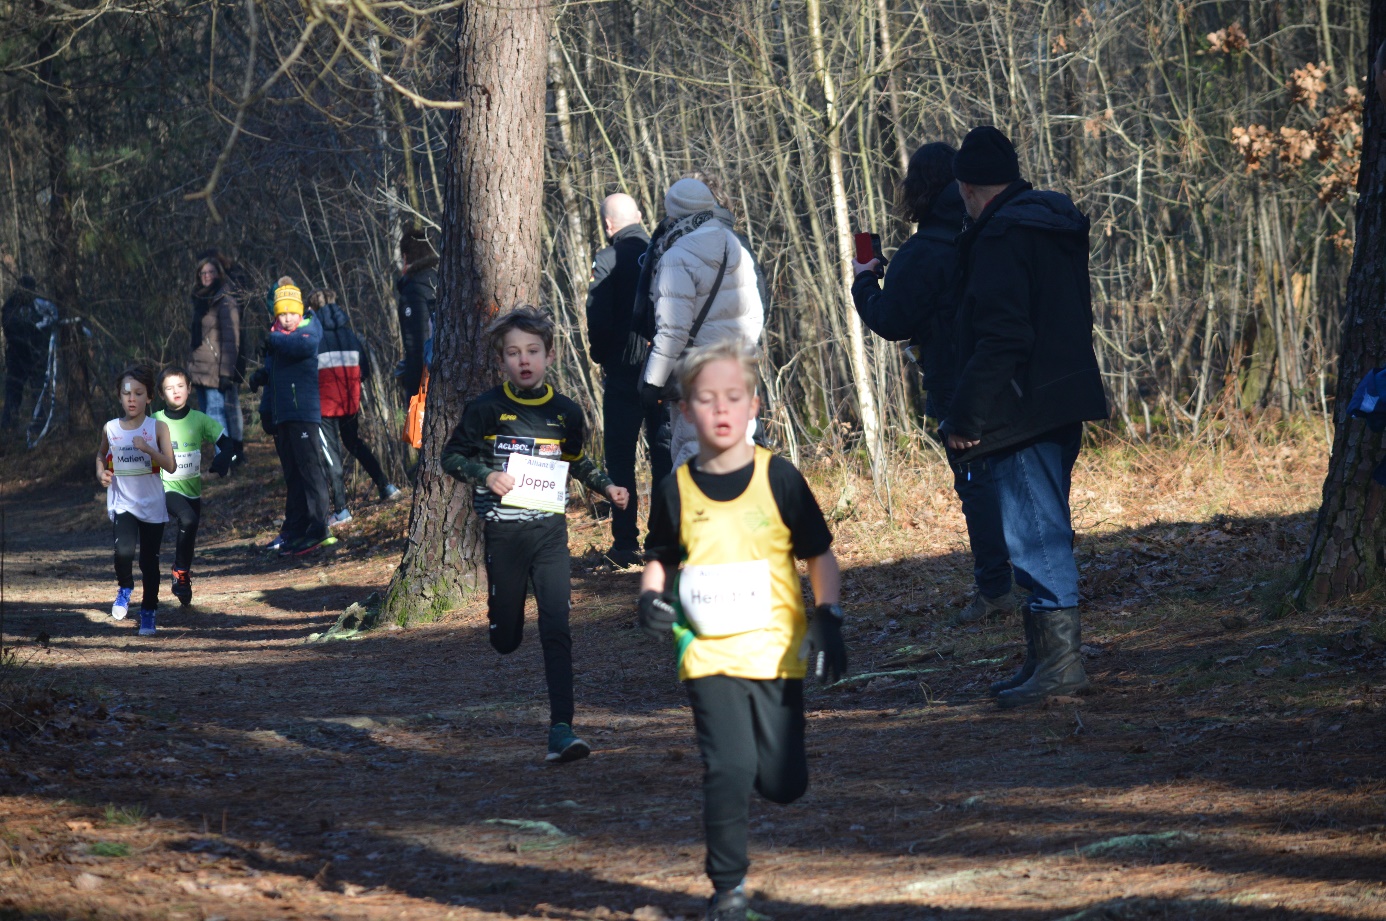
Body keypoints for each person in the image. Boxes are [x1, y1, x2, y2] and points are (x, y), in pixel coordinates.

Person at [637, 338, 846, 921]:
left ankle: (767, 776)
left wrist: (829, 617)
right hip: (707, 655)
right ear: (685, 410)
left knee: (782, 784)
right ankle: (726, 889)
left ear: (754, 404)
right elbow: (661, 558)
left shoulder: (779, 478)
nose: (721, 410)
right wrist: (651, 598)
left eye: (734, 397)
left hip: (778, 653)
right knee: (728, 767)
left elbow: (820, 556)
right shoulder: (674, 490)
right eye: (706, 399)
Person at [941, 126, 1108, 707]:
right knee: (1040, 530)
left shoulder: (1002, 236)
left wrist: (965, 414)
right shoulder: (1048, 224)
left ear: (966, 188)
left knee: (1036, 536)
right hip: (1062, 398)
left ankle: (1061, 666)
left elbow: (1002, 336)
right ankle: (1044, 659)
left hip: (1022, 409)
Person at [440, 306, 629, 763]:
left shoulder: (565, 413)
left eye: (532, 352)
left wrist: (606, 485)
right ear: (501, 360)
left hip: (549, 534)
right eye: (513, 353)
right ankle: (501, 618)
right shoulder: (485, 410)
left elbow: (576, 461)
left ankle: (562, 729)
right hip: (504, 534)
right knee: (507, 638)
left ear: (548, 355)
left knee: (556, 626)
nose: (523, 361)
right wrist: (486, 475)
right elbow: (450, 457)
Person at [850, 142, 1016, 625]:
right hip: (1006, 376)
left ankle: (994, 593)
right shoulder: (987, 232)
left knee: (977, 486)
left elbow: (890, 319)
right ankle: (1029, 583)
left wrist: (864, 279)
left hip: (955, 383)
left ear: (917, 190)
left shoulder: (922, 252)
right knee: (1011, 482)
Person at [639, 178, 764, 469]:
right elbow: (755, 315)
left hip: (699, 379)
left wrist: (652, 382)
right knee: (738, 464)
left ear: (674, 213)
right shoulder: (736, 246)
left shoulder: (676, 256)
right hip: (738, 377)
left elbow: (672, 332)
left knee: (693, 464)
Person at [584, 192, 663, 566]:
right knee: (664, 454)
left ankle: (625, 542)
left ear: (607, 224)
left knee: (620, 458)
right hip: (661, 369)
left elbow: (597, 316)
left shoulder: (608, 258)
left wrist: (602, 355)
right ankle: (663, 538)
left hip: (621, 372)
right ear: (640, 215)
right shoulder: (663, 251)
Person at [308, 288, 403, 526]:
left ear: (313, 310)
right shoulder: (352, 335)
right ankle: (386, 486)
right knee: (354, 443)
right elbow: (366, 372)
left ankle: (341, 510)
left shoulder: (312, 337)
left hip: (323, 405)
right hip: (349, 402)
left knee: (331, 455)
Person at [97, 365, 177, 637]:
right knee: (123, 553)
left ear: (149, 397)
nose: (132, 399)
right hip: (123, 504)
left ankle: (148, 611)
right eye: (126, 393)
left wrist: (149, 449)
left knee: (149, 562)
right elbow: (101, 456)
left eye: (138, 393)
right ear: (119, 397)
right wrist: (102, 473)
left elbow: (171, 465)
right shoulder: (110, 428)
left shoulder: (158, 427)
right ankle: (125, 587)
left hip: (152, 505)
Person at [265, 279, 335, 556]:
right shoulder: (278, 336)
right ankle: (297, 528)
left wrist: (274, 339)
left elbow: (303, 348)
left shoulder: (308, 330)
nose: (288, 318)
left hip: (303, 413)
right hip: (284, 415)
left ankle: (319, 528)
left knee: (310, 471)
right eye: (282, 314)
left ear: (301, 311)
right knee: (293, 474)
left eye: (292, 312)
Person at [153, 366, 232, 606]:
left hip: (193, 491)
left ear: (189, 389)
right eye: (169, 388)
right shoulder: (155, 420)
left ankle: (181, 572)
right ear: (160, 393)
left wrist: (222, 459)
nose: (175, 391)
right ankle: (180, 573)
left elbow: (227, 443)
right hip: (166, 487)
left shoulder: (199, 419)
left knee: (190, 529)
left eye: (180, 386)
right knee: (187, 520)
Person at [188, 256, 244, 466]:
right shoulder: (200, 300)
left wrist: (226, 373)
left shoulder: (224, 298)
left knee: (215, 415)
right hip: (199, 370)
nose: (206, 277)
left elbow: (231, 339)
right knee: (208, 418)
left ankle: (225, 459)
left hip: (215, 369)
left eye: (210, 272)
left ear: (218, 274)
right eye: (203, 273)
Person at [1, 275, 58, 430]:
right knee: (13, 392)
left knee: (39, 390)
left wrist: (39, 342)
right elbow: (9, 328)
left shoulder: (39, 304)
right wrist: (28, 333)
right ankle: (8, 426)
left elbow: (48, 324)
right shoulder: (10, 306)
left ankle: (40, 424)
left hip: (36, 356)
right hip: (17, 356)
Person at [394, 228, 438, 401]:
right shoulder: (441, 279)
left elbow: (416, 346)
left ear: (405, 257)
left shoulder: (413, 291)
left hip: (423, 386)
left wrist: (412, 389)